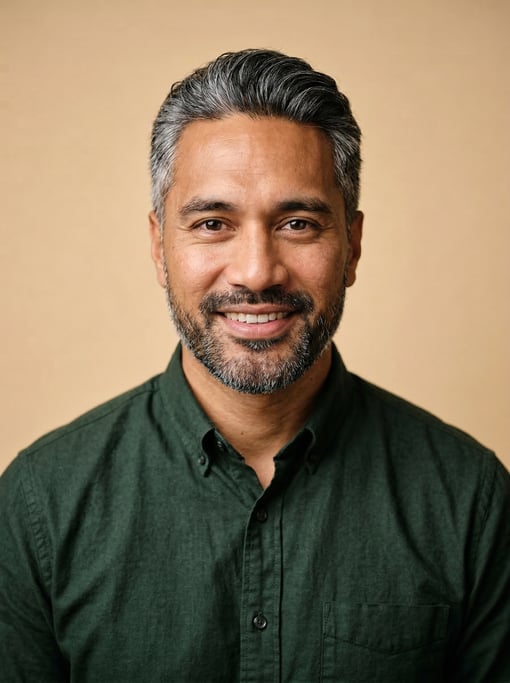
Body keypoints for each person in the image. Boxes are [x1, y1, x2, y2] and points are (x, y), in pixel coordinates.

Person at [1, 49, 509, 682]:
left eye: (298, 223)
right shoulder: (38, 504)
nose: (256, 271)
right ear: (160, 248)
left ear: (351, 245)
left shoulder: (471, 499)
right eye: (213, 223)